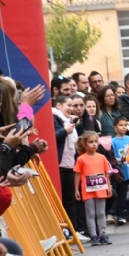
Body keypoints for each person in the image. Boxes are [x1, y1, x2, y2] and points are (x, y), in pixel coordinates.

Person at [53, 95, 87, 240]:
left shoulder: (67, 120)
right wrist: (65, 130)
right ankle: (65, 231)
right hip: (59, 165)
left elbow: (78, 140)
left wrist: (74, 125)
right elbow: (52, 137)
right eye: (69, 105)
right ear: (59, 105)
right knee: (60, 199)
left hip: (69, 164)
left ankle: (74, 231)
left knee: (70, 199)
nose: (72, 109)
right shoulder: (53, 117)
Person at [73, 130, 112, 246]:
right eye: (91, 142)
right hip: (88, 189)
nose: (94, 144)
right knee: (90, 214)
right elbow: (77, 174)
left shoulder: (102, 157)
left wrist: (108, 186)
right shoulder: (81, 159)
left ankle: (103, 234)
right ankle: (94, 235)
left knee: (101, 213)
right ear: (84, 144)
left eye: (96, 142)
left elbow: (106, 173)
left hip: (100, 188)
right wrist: (76, 189)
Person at [111, 117, 129, 225]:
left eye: (125, 125)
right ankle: (120, 214)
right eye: (121, 125)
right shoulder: (113, 141)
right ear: (115, 128)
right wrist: (120, 160)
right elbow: (113, 156)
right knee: (122, 193)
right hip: (122, 171)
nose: (124, 127)